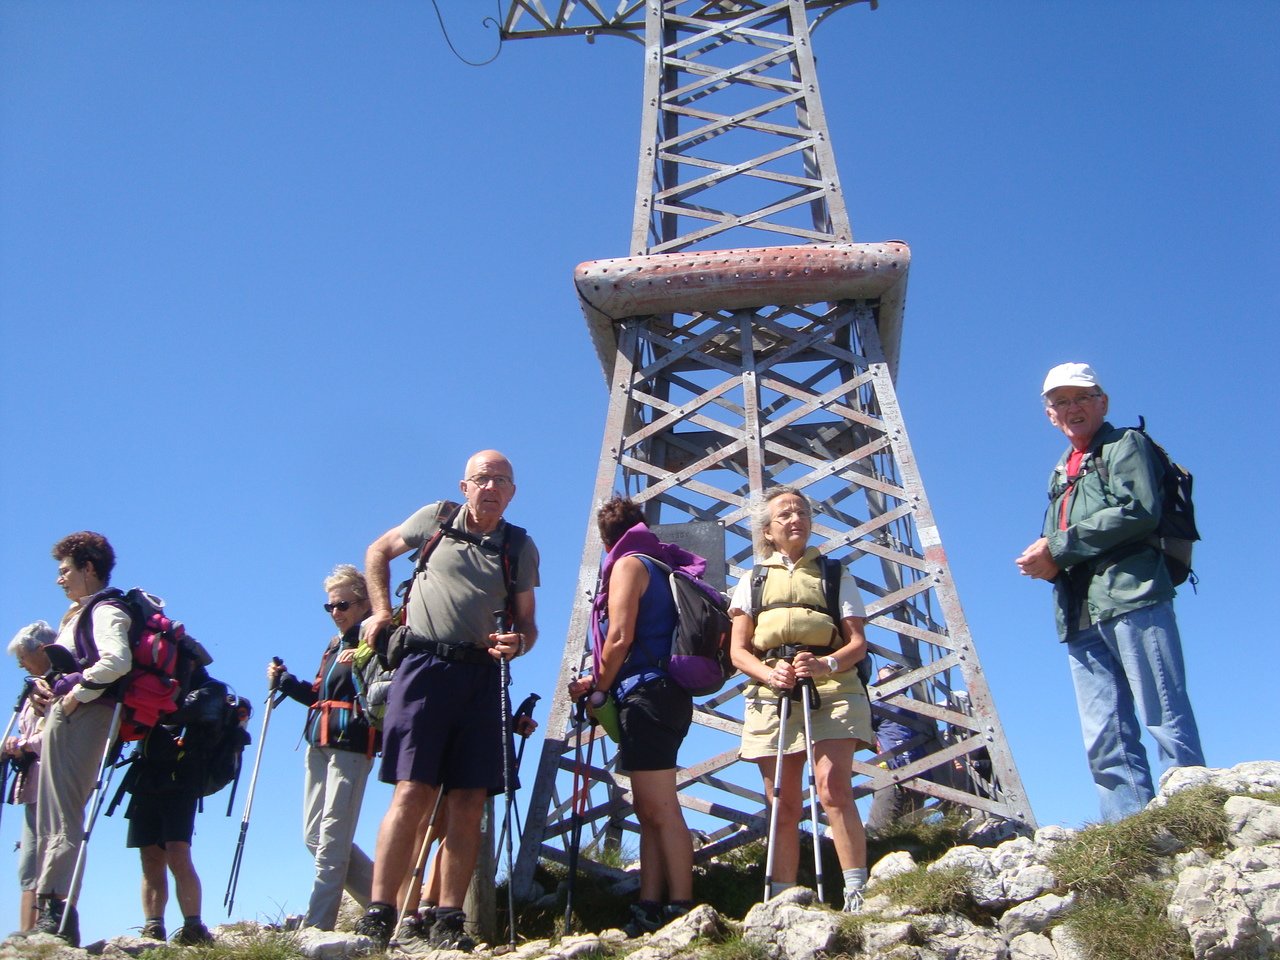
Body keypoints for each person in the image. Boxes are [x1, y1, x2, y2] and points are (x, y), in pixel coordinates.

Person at [354, 450, 539, 951]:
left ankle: (449, 918)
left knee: (470, 799)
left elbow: (528, 622)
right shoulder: (436, 519)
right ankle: (379, 912)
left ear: (512, 493)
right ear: (465, 486)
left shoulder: (519, 547)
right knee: (411, 791)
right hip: (423, 667)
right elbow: (377, 551)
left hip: (483, 676)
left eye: (501, 481)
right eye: (482, 478)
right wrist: (381, 611)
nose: (491, 487)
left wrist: (520, 643)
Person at [1017, 362, 1205, 821]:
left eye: (1082, 397)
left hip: (1132, 594)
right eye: (1060, 402)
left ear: (1102, 403)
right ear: (1049, 415)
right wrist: (1045, 561)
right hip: (1078, 610)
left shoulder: (1125, 445)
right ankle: (1130, 831)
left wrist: (1056, 548)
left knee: (1164, 712)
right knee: (1103, 735)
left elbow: (1138, 509)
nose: (1072, 408)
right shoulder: (1059, 472)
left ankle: (1193, 816)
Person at [729, 486, 872, 912]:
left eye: (803, 513)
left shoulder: (834, 573)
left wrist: (827, 664)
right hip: (771, 692)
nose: (796, 519)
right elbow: (738, 651)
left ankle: (857, 892)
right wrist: (769, 673)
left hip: (833, 688)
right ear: (767, 531)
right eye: (786, 514)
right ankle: (782, 902)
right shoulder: (751, 580)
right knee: (783, 803)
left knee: (833, 788)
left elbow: (857, 643)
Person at [568, 496, 695, 936]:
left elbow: (619, 637)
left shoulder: (627, 565)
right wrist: (603, 683)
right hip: (662, 693)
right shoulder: (657, 564)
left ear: (606, 541)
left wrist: (598, 688)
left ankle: (682, 907)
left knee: (660, 807)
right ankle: (650, 902)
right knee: (647, 808)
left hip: (647, 695)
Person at [31, 532, 133, 945]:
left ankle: (56, 912)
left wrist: (76, 695)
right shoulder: (79, 613)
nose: (59, 579)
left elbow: (117, 661)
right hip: (71, 715)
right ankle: (53, 911)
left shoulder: (106, 609)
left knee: (65, 814)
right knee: (53, 814)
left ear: (88, 568)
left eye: (65, 570)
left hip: (86, 716)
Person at [268, 564, 377, 931]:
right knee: (315, 837)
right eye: (330, 606)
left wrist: (363, 654)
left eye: (343, 605)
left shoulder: (375, 638)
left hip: (352, 743)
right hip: (319, 742)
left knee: (331, 838)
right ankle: (387, 903)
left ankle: (318, 926)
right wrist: (286, 682)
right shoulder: (335, 644)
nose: (335, 612)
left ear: (364, 604)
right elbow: (319, 695)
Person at [121, 685, 213, 946]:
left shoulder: (203, 688)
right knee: (149, 854)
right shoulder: (150, 681)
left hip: (180, 781)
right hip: (146, 776)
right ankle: (153, 926)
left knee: (177, 852)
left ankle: (193, 926)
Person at [5, 623, 56, 931]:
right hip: (32, 784)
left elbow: (54, 736)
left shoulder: (59, 684)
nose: (21, 665)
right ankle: (26, 935)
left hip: (52, 782)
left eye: (23, 657)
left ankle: (44, 932)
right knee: (28, 863)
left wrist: (20, 745)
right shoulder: (32, 689)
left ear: (41, 650)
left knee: (47, 858)